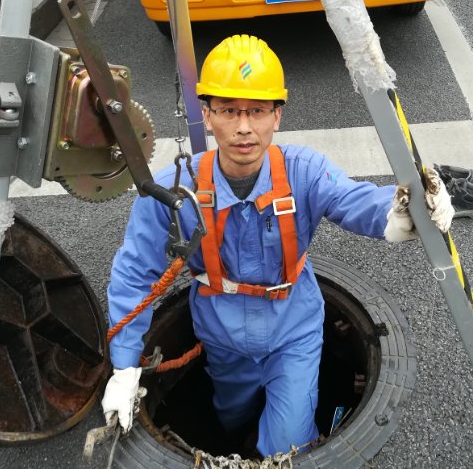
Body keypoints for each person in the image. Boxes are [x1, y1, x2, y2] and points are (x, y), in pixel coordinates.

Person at [101, 34, 453, 457]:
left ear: (277, 116)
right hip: (221, 335)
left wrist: (401, 212)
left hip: (294, 332)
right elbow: (134, 272)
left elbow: (352, 199)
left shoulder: (304, 171)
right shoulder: (177, 191)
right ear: (207, 116)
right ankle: (241, 436)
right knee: (230, 417)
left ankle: (269, 440)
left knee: (286, 445)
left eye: (257, 110)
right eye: (228, 110)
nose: (244, 127)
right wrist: (124, 366)